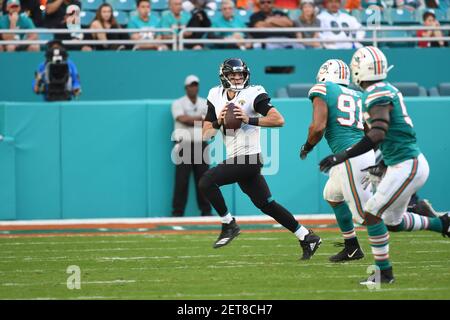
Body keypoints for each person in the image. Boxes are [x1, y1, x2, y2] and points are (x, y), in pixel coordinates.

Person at [319, 46, 450, 284]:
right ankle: (441, 223)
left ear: (359, 69)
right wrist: (381, 161)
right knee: (393, 222)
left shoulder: (377, 93)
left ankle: (384, 273)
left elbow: (378, 132)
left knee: (371, 214)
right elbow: (385, 134)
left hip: (406, 164)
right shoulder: (383, 89)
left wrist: (342, 156)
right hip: (403, 162)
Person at [200, 58, 322, 259]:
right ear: (224, 77)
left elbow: (278, 119)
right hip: (238, 157)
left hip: (249, 158)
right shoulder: (215, 94)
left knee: (206, 181)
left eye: (240, 74)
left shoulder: (253, 93)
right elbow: (205, 134)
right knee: (266, 204)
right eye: (233, 75)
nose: (238, 78)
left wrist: (249, 119)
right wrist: (219, 120)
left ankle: (228, 224)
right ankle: (307, 236)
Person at [300, 59, 373, 262]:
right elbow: (369, 131)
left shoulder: (322, 88)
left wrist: (307, 147)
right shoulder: (358, 94)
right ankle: (352, 248)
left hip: (350, 155)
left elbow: (318, 127)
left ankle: (423, 215)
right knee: (332, 194)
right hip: (357, 152)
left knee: (366, 217)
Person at [171, 75, 212, 217]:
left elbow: (208, 122)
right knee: (181, 181)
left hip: (201, 144)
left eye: (196, 85)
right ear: (186, 87)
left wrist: (192, 120)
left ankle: (206, 211)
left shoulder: (204, 102)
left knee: (204, 180)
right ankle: (177, 212)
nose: (194, 87)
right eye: (191, 85)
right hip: (184, 144)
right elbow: (182, 119)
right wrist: (199, 120)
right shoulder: (178, 103)